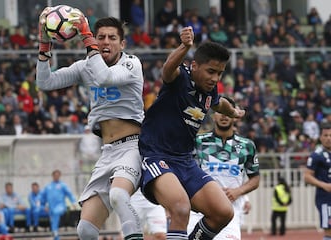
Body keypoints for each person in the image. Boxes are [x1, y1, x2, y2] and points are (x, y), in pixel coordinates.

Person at [36, 7, 145, 240]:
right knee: (85, 230)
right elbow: (45, 82)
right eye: (100, 37)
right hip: (107, 152)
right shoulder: (85, 67)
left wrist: (86, 36)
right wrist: (44, 45)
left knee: (118, 195)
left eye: (112, 38)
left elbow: (106, 78)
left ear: (122, 44)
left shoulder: (132, 64)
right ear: (95, 39)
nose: (106, 42)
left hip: (133, 147)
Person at [138, 26, 245, 240]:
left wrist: (233, 111)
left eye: (220, 73)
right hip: (157, 156)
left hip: (186, 162)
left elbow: (217, 103)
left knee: (224, 212)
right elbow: (168, 69)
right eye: (211, 71)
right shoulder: (181, 77)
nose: (215, 78)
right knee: (180, 208)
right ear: (194, 65)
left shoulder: (209, 90)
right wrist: (184, 46)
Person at [187, 97, 260, 239]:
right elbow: (186, 171)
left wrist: (238, 191)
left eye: (228, 112)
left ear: (235, 116)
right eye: (220, 111)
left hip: (230, 213)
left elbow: (255, 178)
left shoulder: (247, 145)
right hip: (199, 211)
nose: (224, 115)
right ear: (214, 116)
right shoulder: (198, 142)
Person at [304, 122, 331, 240]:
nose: (328, 138)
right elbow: (307, 176)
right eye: (325, 135)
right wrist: (324, 185)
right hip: (326, 198)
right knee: (329, 231)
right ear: (320, 137)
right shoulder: (316, 155)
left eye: (330, 135)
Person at [40, 170, 77, 240]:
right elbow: (42, 197)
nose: (56, 177)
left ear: (59, 176)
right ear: (53, 176)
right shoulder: (48, 186)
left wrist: (73, 202)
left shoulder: (63, 185)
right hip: (51, 208)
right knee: (53, 218)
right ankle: (56, 236)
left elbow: (69, 194)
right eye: (55, 175)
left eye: (58, 175)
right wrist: (43, 206)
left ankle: (55, 232)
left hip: (60, 206)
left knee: (56, 213)